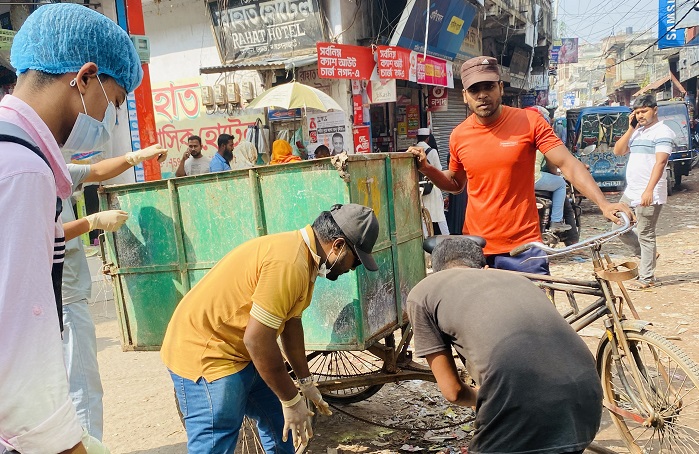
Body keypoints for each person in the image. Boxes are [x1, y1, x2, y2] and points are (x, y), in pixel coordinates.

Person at [0, 3, 143, 453]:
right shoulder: (23, 169)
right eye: (114, 102)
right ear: (83, 79)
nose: (108, 120)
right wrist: (67, 445)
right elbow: (19, 342)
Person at [161, 204, 380, 452]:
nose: (352, 268)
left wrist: (305, 382)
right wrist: (290, 399)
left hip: (238, 348)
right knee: (217, 439)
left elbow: (291, 323)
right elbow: (257, 341)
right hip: (208, 351)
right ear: (338, 246)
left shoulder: (306, 257)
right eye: (356, 261)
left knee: (279, 421)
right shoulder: (289, 263)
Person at [409, 56, 633, 275]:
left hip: (524, 247)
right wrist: (427, 168)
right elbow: (456, 184)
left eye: (489, 86)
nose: (483, 95)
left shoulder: (529, 122)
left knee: (534, 311)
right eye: (475, 90)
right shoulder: (459, 135)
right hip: (477, 248)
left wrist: (604, 204)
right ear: (465, 96)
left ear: (501, 88)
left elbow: (567, 163)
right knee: (486, 312)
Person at [406, 237, 602, 454]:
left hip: (518, 412)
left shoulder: (422, 292)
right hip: (587, 404)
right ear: (485, 268)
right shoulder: (520, 280)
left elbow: (453, 392)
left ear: (436, 269)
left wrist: (480, 396)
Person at [61, 146, 167, 442]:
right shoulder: (32, 173)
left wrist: (137, 156)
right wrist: (91, 222)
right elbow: (44, 231)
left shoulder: (52, 167)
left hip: (59, 297)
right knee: (82, 386)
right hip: (64, 298)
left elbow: (97, 170)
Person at [613, 94, 675, 289]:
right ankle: (647, 254)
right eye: (637, 112)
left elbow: (661, 162)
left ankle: (646, 278)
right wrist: (631, 127)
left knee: (646, 233)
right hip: (631, 191)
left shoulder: (663, 131)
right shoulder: (638, 132)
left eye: (644, 111)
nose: (640, 115)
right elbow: (618, 151)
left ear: (654, 110)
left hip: (650, 192)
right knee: (618, 228)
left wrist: (648, 191)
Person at [526, 106, 571, 232]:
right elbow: (552, 166)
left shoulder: (515, 134)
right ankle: (556, 221)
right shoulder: (543, 135)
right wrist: (557, 173)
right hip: (534, 178)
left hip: (517, 181)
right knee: (561, 184)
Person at [416, 128, 449, 236]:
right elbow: (439, 169)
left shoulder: (414, 150)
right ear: (428, 139)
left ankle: (426, 238)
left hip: (420, 188)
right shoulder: (432, 151)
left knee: (423, 215)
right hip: (432, 187)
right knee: (440, 215)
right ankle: (447, 237)